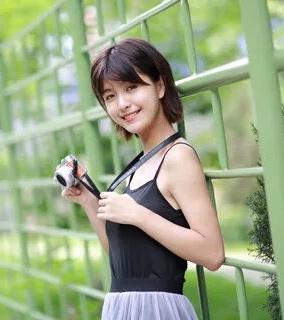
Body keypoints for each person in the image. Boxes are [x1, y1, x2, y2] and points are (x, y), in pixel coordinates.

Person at [60, 38, 225, 320]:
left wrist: (138, 215)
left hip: (157, 311)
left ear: (160, 86)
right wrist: (89, 201)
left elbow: (212, 253)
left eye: (131, 87)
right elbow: (124, 257)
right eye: (110, 96)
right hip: (123, 308)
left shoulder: (178, 157)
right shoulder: (139, 164)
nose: (122, 104)